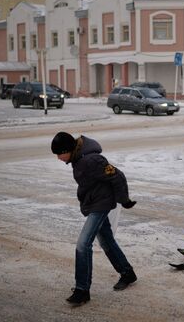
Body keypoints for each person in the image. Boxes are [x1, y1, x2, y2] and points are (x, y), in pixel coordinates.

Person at [51, 131, 137, 306]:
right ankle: (127, 273)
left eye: (59, 153)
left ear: (68, 149)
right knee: (106, 241)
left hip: (101, 205)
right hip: (95, 203)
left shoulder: (91, 160)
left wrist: (124, 199)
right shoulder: (78, 159)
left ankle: (82, 290)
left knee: (83, 244)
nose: (58, 158)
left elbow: (117, 175)